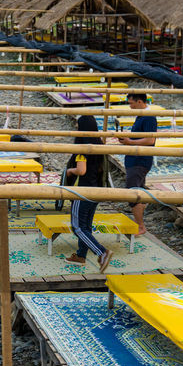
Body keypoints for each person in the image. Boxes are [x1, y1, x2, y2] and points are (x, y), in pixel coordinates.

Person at [64, 114, 113, 272]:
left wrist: (70, 171)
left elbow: (81, 170)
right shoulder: (98, 143)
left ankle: (102, 252)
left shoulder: (82, 145)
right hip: (96, 189)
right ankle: (80, 255)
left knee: (77, 227)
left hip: (82, 191)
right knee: (86, 226)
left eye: (78, 126)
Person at [117, 92, 157, 236]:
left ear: (140, 102)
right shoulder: (141, 116)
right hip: (135, 159)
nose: (130, 106)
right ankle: (140, 219)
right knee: (137, 191)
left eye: (131, 103)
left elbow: (150, 140)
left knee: (132, 193)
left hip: (140, 160)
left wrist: (130, 142)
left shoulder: (148, 117)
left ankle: (140, 226)